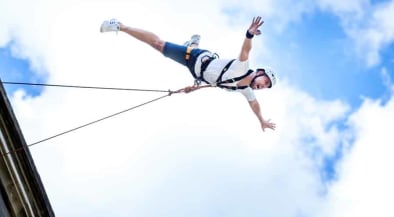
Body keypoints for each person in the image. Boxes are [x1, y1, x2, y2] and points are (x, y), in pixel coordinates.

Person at [100, 16, 277, 131]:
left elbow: (253, 103)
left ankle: (191, 43)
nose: (263, 86)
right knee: (159, 45)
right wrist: (249, 35)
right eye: (265, 81)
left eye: (266, 87)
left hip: (198, 74)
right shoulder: (243, 67)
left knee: (184, 50)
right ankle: (121, 26)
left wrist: (261, 120)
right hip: (195, 58)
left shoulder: (245, 89)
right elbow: (246, 50)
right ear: (260, 72)